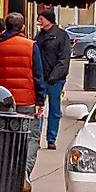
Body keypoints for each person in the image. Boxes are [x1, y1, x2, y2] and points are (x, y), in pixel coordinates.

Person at [33, 8, 74, 148]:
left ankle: (51, 138)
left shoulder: (61, 36)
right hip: (40, 78)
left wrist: (54, 76)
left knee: (54, 109)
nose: (39, 21)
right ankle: (36, 137)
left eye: (41, 19)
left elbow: (64, 59)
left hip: (55, 80)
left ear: (48, 20)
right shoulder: (39, 37)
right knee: (38, 108)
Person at [0, 11, 40, 111]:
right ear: (22, 28)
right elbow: (38, 74)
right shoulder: (31, 45)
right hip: (26, 98)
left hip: (1, 97)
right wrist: (40, 100)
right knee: (27, 126)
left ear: (6, 27)